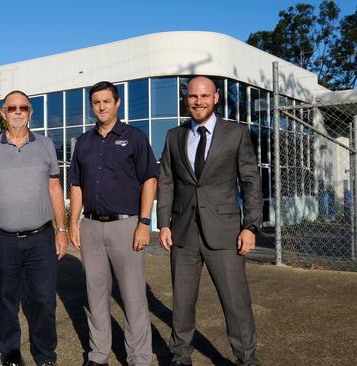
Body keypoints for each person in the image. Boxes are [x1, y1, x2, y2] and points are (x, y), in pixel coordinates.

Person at [156, 76, 263, 366]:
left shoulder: (236, 134)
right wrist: (163, 223)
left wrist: (250, 226)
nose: (198, 101)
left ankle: (246, 359)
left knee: (235, 302)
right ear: (186, 99)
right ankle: (179, 356)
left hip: (225, 233)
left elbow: (250, 182)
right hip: (183, 232)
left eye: (204, 96)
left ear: (216, 97)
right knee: (182, 301)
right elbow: (166, 181)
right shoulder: (173, 136)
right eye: (192, 96)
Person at [0, 90, 68, 366]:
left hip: (41, 238)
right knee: (6, 301)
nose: (17, 112)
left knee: (44, 301)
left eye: (23, 107)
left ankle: (46, 356)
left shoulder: (46, 145)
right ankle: (10, 354)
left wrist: (61, 230)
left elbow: (54, 188)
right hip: (3, 240)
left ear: (30, 112)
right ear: (3, 113)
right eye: (11, 107)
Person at [68, 81, 158, 366]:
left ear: (117, 103)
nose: (102, 106)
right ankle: (98, 355)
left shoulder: (134, 137)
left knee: (132, 296)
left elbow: (150, 180)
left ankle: (139, 358)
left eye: (107, 101)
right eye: (96, 102)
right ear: (91, 106)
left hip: (126, 226)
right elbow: (76, 185)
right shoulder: (83, 142)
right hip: (91, 227)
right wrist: (73, 223)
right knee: (95, 296)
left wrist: (144, 223)